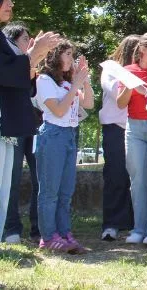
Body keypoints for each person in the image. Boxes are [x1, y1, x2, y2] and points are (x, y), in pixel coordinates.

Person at [0, 0, 59, 245]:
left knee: (4, 184)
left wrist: (33, 59)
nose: (11, 4)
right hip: (3, 119)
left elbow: (19, 76)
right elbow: (6, 73)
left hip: (8, 123)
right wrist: (33, 54)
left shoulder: (2, 38)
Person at [35, 39, 94, 252]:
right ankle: (48, 237)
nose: (71, 58)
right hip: (53, 135)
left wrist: (84, 81)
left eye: (72, 54)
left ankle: (64, 233)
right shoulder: (44, 80)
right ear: (54, 56)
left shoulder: (68, 83)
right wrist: (76, 85)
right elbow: (59, 111)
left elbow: (89, 103)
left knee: (66, 191)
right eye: (67, 54)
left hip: (69, 135)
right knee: (50, 191)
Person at [117, 31, 147, 246]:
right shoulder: (128, 71)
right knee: (137, 179)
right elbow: (120, 103)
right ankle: (138, 228)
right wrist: (131, 87)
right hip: (134, 129)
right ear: (143, 49)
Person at [2, 22, 43, 244]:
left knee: (39, 177)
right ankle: (11, 229)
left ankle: (38, 229)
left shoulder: (29, 64)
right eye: (25, 39)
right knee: (12, 178)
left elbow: (33, 92)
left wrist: (34, 60)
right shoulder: (9, 63)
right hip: (13, 127)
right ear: (12, 42)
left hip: (33, 126)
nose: (30, 43)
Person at [98, 35, 139, 241]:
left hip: (138, 127)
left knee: (137, 177)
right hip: (115, 128)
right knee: (116, 176)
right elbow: (117, 94)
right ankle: (111, 224)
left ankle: (134, 223)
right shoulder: (110, 69)